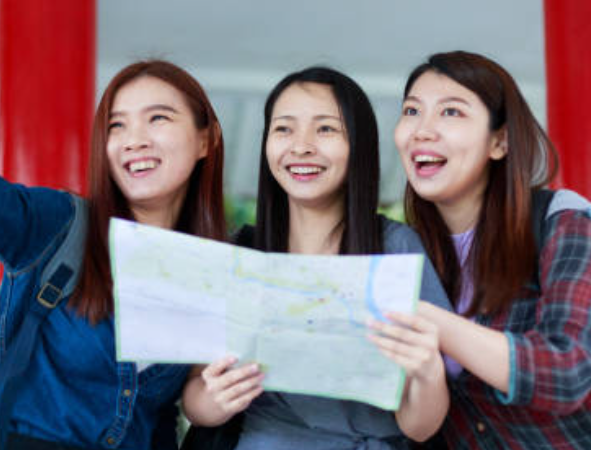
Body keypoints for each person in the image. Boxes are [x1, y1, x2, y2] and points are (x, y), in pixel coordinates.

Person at [182, 67, 451, 450]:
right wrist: (215, 400)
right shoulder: (242, 253)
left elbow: (420, 428)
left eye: (325, 129)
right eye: (284, 129)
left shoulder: (395, 248)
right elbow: (196, 402)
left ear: (358, 145)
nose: (301, 146)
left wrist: (428, 373)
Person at [0, 60, 226, 449]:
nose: (134, 140)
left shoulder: (208, 272)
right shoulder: (58, 224)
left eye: (158, 118)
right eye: (117, 125)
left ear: (207, 139)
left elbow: (156, 416)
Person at [391, 50, 591, 449]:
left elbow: (568, 371)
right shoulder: (401, 253)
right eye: (412, 111)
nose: (422, 130)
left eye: (451, 112)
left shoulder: (562, 221)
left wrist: (428, 319)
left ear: (499, 141)